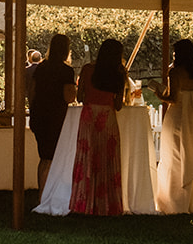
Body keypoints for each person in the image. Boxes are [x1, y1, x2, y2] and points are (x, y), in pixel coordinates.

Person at [69, 39, 127, 215]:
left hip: (89, 117)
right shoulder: (119, 73)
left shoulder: (87, 69)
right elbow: (118, 105)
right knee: (107, 160)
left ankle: (83, 202)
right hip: (107, 116)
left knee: (87, 157)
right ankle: (108, 204)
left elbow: (80, 97)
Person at [155, 40, 193, 214]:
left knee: (173, 157)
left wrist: (158, 93)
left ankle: (172, 204)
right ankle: (189, 204)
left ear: (178, 54)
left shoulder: (175, 72)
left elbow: (173, 98)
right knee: (189, 156)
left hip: (177, 117)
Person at [28, 33, 77, 195]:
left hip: (39, 115)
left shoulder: (41, 67)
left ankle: (43, 192)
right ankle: (51, 193)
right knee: (53, 157)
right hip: (56, 118)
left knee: (44, 157)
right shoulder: (66, 71)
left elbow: (32, 92)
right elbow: (68, 97)